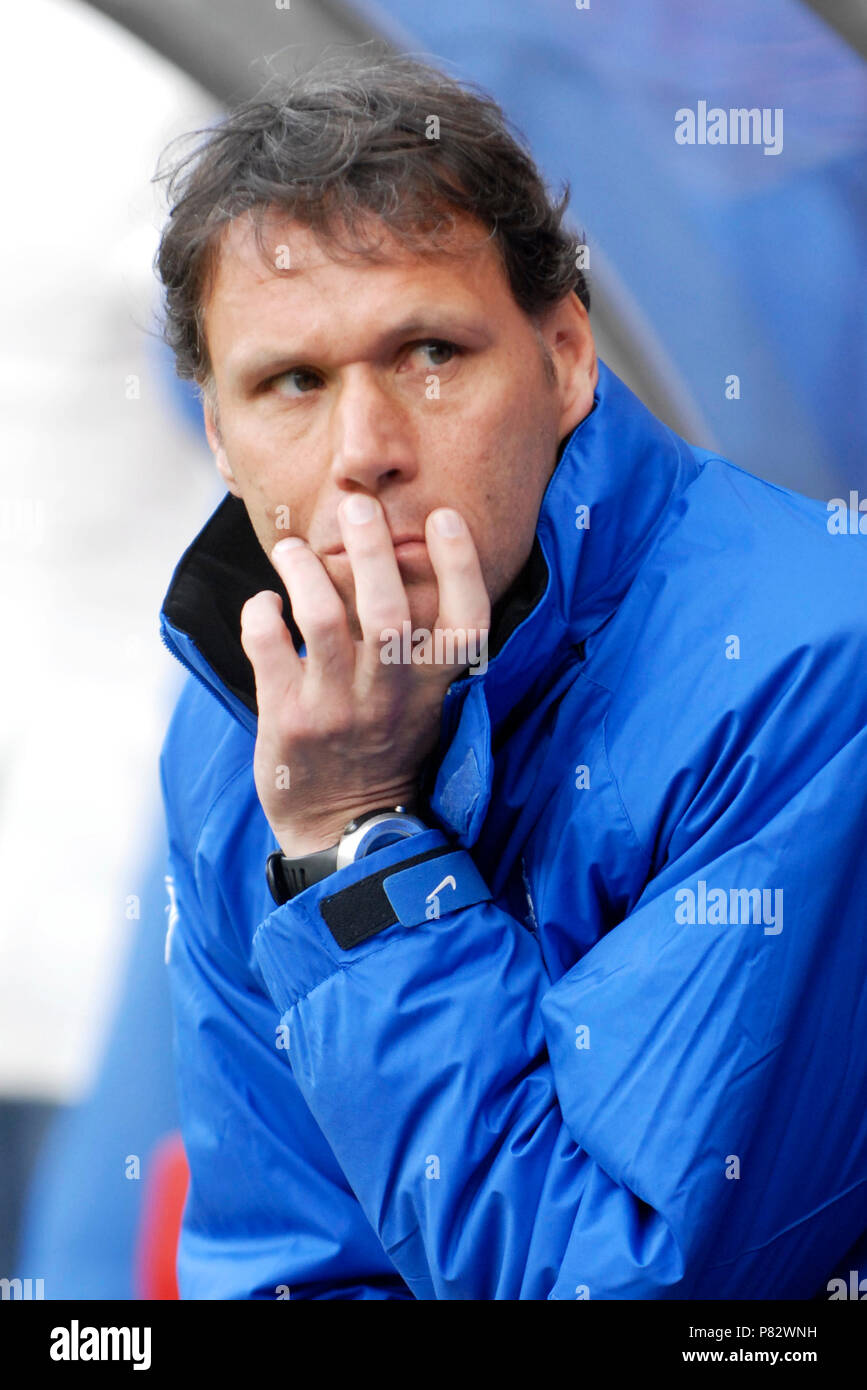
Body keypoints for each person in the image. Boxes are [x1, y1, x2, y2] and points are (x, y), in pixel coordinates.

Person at [155, 51, 867, 1300]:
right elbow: (290, 1266)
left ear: (569, 355)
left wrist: (354, 848)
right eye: (293, 384)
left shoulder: (814, 675)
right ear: (218, 435)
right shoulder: (244, 722)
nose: (364, 452)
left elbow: (621, 1286)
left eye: (430, 353)